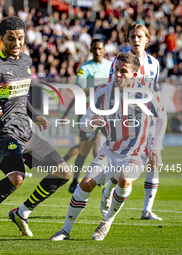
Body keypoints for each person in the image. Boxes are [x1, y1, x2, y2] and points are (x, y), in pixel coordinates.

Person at [0, 17, 71, 240]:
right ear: (1, 38)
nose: (16, 43)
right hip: (3, 132)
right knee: (16, 177)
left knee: (63, 172)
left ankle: (22, 212)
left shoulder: (26, 61)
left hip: (27, 132)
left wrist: (35, 116)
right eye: (11, 38)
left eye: (20, 38)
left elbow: (21, 96)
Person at [49, 53, 167, 241]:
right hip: (111, 149)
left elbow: (162, 118)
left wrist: (156, 146)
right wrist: (91, 124)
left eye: (123, 71)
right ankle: (65, 230)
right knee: (86, 184)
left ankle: (106, 222)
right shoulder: (102, 92)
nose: (118, 74)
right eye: (116, 70)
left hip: (137, 152)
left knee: (124, 180)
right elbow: (85, 122)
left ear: (134, 75)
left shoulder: (147, 94)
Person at [102, 24, 162, 221]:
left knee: (154, 159)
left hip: (148, 118)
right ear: (128, 40)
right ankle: (108, 189)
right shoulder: (119, 62)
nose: (136, 39)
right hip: (125, 118)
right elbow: (113, 87)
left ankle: (146, 210)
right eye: (133, 36)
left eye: (140, 36)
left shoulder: (154, 63)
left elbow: (155, 90)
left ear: (147, 39)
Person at [62, 39, 112, 193]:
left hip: (108, 112)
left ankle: (103, 179)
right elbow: (80, 92)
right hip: (89, 112)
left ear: (104, 50)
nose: (98, 51)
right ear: (91, 50)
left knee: (108, 146)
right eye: (95, 48)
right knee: (84, 149)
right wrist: (99, 88)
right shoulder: (85, 68)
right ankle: (75, 180)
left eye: (100, 48)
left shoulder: (111, 66)